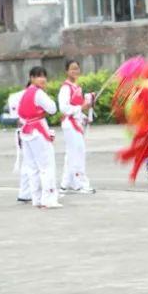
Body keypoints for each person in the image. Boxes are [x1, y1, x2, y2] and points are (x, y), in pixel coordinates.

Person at [18, 67, 61, 209]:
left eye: (44, 76)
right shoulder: (38, 93)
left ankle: (36, 198)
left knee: (32, 167)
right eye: (38, 76)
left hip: (26, 132)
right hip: (38, 130)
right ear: (32, 78)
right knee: (47, 166)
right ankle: (49, 199)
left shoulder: (24, 93)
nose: (42, 79)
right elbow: (53, 108)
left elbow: (20, 114)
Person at [58, 59, 95, 194]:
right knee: (77, 153)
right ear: (67, 71)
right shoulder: (65, 88)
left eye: (77, 68)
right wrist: (81, 107)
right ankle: (80, 184)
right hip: (70, 124)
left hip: (77, 123)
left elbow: (79, 107)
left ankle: (66, 183)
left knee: (71, 154)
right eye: (72, 69)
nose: (75, 71)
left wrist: (87, 107)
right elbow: (64, 108)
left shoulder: (76, 87)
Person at [5, 87, 32, 203]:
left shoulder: (20, 96)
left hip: (26, 131)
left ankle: (27, 192)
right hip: (24, 132)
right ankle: (25, 193)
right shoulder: (21, 96)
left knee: (29, 162)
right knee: (28, 162)